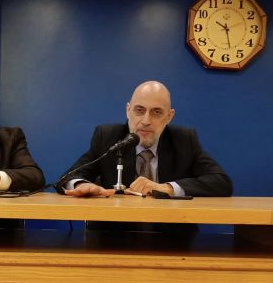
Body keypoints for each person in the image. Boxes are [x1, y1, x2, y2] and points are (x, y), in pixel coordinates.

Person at [59, 81, 232, 198]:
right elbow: (69, 177)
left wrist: (166, 188)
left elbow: (221, 182)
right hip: (114, 232)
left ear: (169, 116)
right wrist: (81, 185)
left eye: (156, 112)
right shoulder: (108, 137)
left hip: (171, 233)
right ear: (128, 111)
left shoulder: (184, 140)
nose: (146, 121)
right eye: (139, 110)